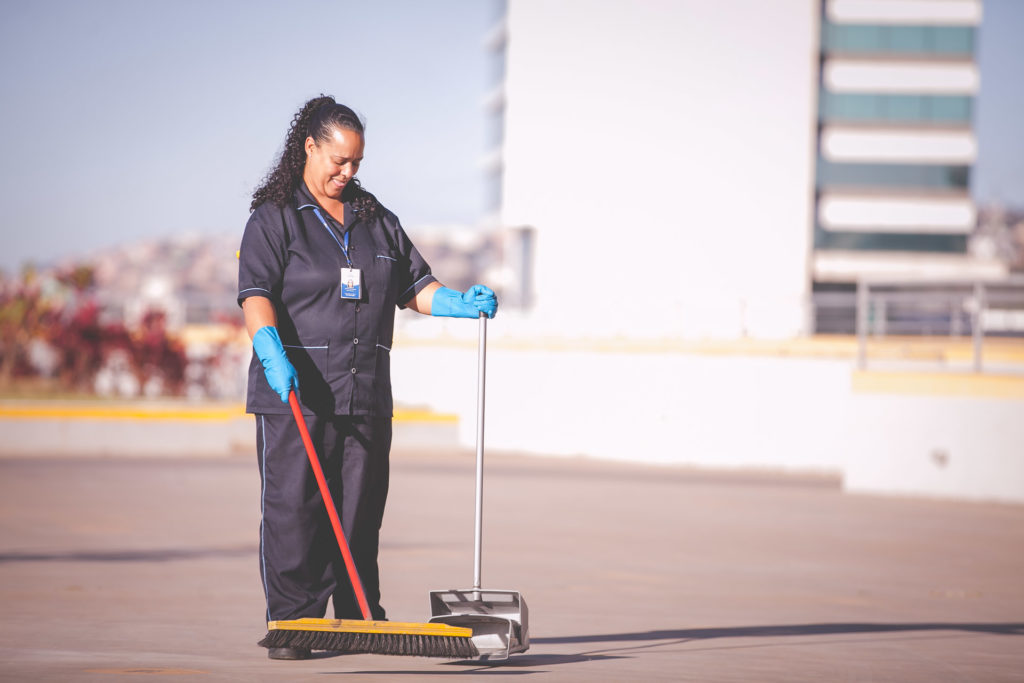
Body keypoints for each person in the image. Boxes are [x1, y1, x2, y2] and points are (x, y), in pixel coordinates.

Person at [237, 95, 497, 660]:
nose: (347, 173)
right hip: (296, 392)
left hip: (364, 391)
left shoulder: (376, 219)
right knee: (294, 508)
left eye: (356, 163)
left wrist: (456, 302)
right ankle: (294, 622)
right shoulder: (275, 219)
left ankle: (358, 616)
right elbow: (255, 294)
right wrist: (267, 345)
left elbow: (414, 288)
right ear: (309, 147)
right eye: (338, 160)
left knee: (359, 510)